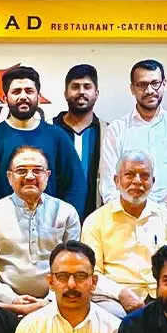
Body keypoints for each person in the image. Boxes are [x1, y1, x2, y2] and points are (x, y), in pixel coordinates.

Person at [0, 145, 81, 315]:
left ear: (47, 176)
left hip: (57, 303)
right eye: (21, 171)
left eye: (37, 170)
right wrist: (11, 299)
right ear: (9, 177)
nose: (30, 176)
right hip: (4, 305)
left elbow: (73, 265)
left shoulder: (66, 213)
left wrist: (49, 300)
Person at [81, 151, 167, 319]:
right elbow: (91, 272)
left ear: (153, 181)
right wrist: (121, 293)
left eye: (144, 176)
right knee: (115, 319)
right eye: (129, 175)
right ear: (116, 181)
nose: (137, 181)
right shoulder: (96, 221)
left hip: (161, 295)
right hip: (113, 298)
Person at [0, 66, 86, 215]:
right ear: (5, 99)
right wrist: (5, 216)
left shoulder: (57, 136)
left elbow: (76, 185)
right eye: (16, 92)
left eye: (29, 91)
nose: (23, 96)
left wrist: (61, 218)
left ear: (38, 97)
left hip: (51, 225)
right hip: (5, 224)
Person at [100, 60, 167, 219]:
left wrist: (160, 209)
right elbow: (108, 185)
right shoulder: (117, 129)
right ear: (132, 88)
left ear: (164, 84)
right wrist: (129, 214)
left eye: (155, 83)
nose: (149, 90)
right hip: (125, 222)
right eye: (142, 85)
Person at [52, 64, 106, 219]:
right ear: (65, 93)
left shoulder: (108, 132)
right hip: (54, 220)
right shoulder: (49, 129)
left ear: (96, 93)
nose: (81, 92)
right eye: (75, 87)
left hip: (97, 220)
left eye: (87, 87)